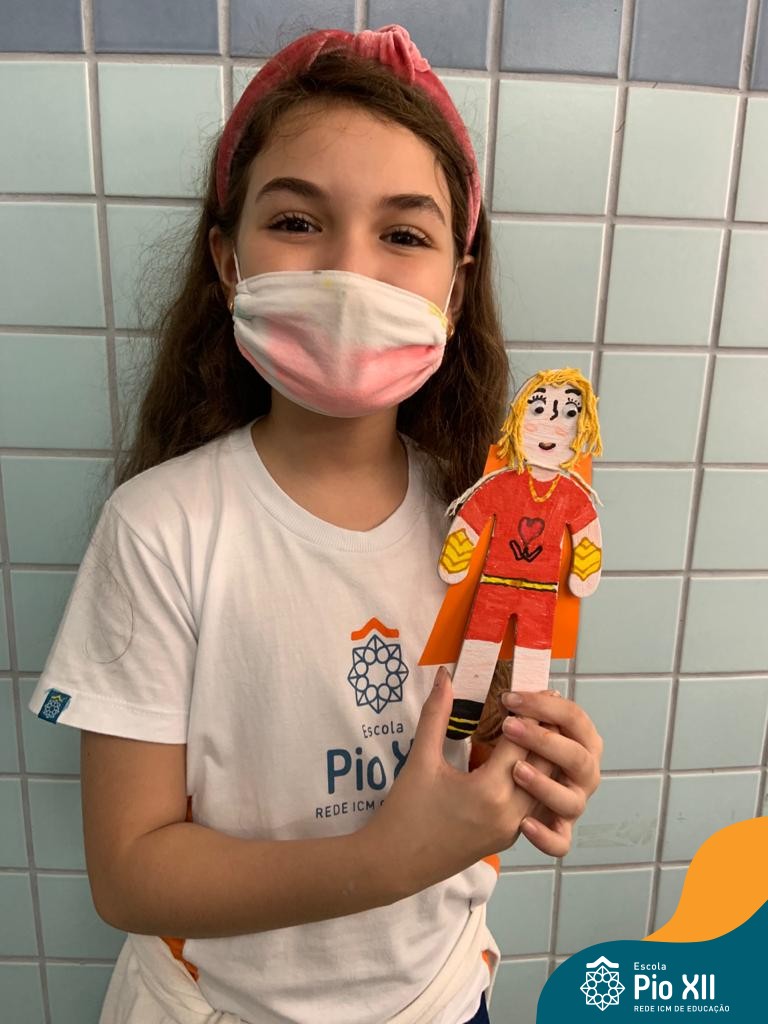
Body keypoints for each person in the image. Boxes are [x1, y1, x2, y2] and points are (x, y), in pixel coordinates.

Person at [27, 24, 603, 1024]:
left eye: (405, 235)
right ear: (228, 260)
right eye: (297, 222)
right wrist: (384, 859)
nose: (350, 273)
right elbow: (127, 874)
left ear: (457, 287)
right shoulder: (160, 529)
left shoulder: (478, 521)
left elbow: (464, 754)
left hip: (443, 997)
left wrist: (533, 773)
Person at [437, 368, 604, 740]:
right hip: (493, 586)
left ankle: (527, 720)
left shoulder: (571, 494)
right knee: (480, 642)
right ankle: (464, 706)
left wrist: (584, 571)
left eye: (569, 414)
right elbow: (473, 514)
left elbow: (587, 534)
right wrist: (457, 556)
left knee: (534, 653)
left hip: (541, 596)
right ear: (518, 419)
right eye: (539, 410)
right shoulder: (503, 483)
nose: (551, 425)